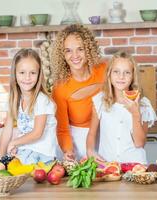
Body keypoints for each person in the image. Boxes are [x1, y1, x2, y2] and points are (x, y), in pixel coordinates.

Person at [86, 51, 157, 164]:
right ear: (109, 74)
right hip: (107, 165)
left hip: (135, 166)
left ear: (133, 76)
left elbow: (139, 143)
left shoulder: (143, 104)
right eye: (116, 72)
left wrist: (135, 114)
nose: (121, 77)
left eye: (127, 72)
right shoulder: (100, 101)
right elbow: (92, 133)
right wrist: (90, 150)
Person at [51, 24, 106, 161]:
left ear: (89, 49)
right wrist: (69, 152)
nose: (74, 56)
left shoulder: (105, 70)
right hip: (79, 145)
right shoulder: (60, 88)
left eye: (80, 49)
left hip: (108, 138)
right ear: (62, 55)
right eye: (68, 51)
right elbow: (62, 129)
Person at [0, 48, 57, 164]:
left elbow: (37, 133)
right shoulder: (14, 99)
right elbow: (7, 130)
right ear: (15, 74)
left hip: (43, 158)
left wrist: (14, 142)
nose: (27, 77)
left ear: (39, 74)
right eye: (22, 72)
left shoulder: (41, 100)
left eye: (32, 73)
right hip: (24, 154)